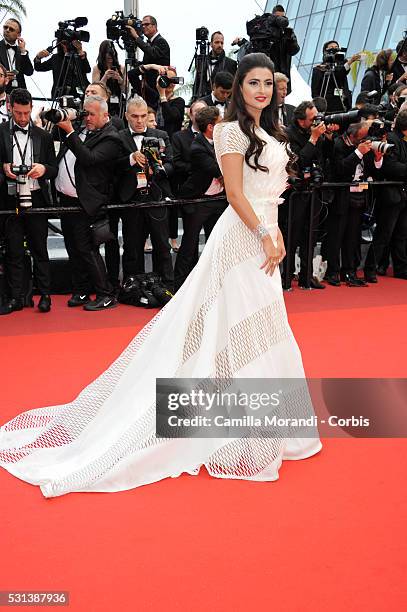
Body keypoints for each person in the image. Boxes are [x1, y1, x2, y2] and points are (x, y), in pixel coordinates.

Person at [0, 53, 321, 497]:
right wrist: (267, 233)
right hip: (245, 235)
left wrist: (275, 231)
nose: (262, 91)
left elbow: (271, 188)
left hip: (266, 232)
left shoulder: (276, 129)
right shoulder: (229, 130)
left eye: (268, 83)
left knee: (263, 324)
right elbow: (233, 192)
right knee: (231, 322)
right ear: (239, 88)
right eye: (254, 83)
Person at [56, 95, 122, 311]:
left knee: (87, 248)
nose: (88, 118)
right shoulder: (82, 129)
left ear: (106, 115)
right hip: (67, 199)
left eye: (92, 114)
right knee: (73, 248)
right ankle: (82, 289)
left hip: (87, 202)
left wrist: (71, 131)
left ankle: (106, 294)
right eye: (86, 113)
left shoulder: (112, 138)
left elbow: (89, 159)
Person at [0, 88, 57, 315]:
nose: (23, 118)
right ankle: (16, 297)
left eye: (26, 113)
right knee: (13, 251)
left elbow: (53, 169)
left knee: (40, 249)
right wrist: (3, 169)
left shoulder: (44, 136)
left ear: (32, 108)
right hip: (9, 200)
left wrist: (43, 169)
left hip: (37, 199)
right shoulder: (1, 131)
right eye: (18, 113)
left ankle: (45, 296)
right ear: (9, 108)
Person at [311, 41, 360, 112]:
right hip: (328, 106)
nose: (334, 50)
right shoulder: (319, 69)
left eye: (336, 48)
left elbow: (341, 72)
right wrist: (319, 106)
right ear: (325, 51)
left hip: (343, 103)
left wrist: (348, 63)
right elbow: (315, 92)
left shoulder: (342, 64)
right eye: (331, 48)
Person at [91, 40, 126, 116]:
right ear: (103, 54)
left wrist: (120, 80)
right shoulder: (97, 68)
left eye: (112, 54)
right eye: (107, 54)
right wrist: (105, 78)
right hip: (102, 103)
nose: (110, 57)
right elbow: (94, 90)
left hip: (119, 103)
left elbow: (125, 90)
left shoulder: (121, 68)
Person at [0, 19, 33, 92]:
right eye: (5, 27)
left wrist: (23, 51)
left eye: (11, 29)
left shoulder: (21, 51)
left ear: (18, 35)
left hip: (19, 94)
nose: (7, 30)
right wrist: (3, 75)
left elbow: (29, 72)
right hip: (2, 92)